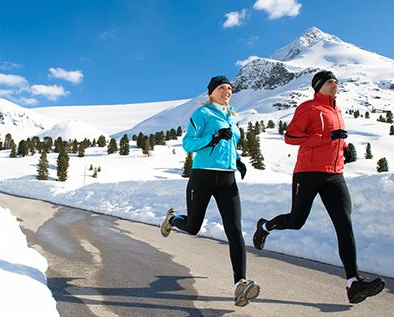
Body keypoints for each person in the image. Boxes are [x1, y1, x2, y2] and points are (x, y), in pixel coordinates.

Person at [252, 70, 385, 304]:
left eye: (336, 81)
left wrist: (344, 149)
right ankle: (265, 226)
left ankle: (353, 282)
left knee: (344, 224)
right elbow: (291, 137)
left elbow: (334, 139)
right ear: (319, 85)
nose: (336, 85)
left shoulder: (337, 110)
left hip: (334, 175)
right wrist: (327, 137)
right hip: (308, 172)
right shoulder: (309, 108)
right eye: (331, 82)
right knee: (296, 221)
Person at [160, 75, 259, 307]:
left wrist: (238, 159)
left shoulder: (232, 117)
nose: (228, 91)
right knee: (193, 227)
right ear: (211, 92)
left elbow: (231, 144)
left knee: (234, 230)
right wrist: (213, 137)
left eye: (230, 88)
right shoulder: (202, 114)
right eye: (223, 88)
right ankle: (173, 220)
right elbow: (188, 144)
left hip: (227, 178)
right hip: (202, 175)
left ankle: (240, 284)